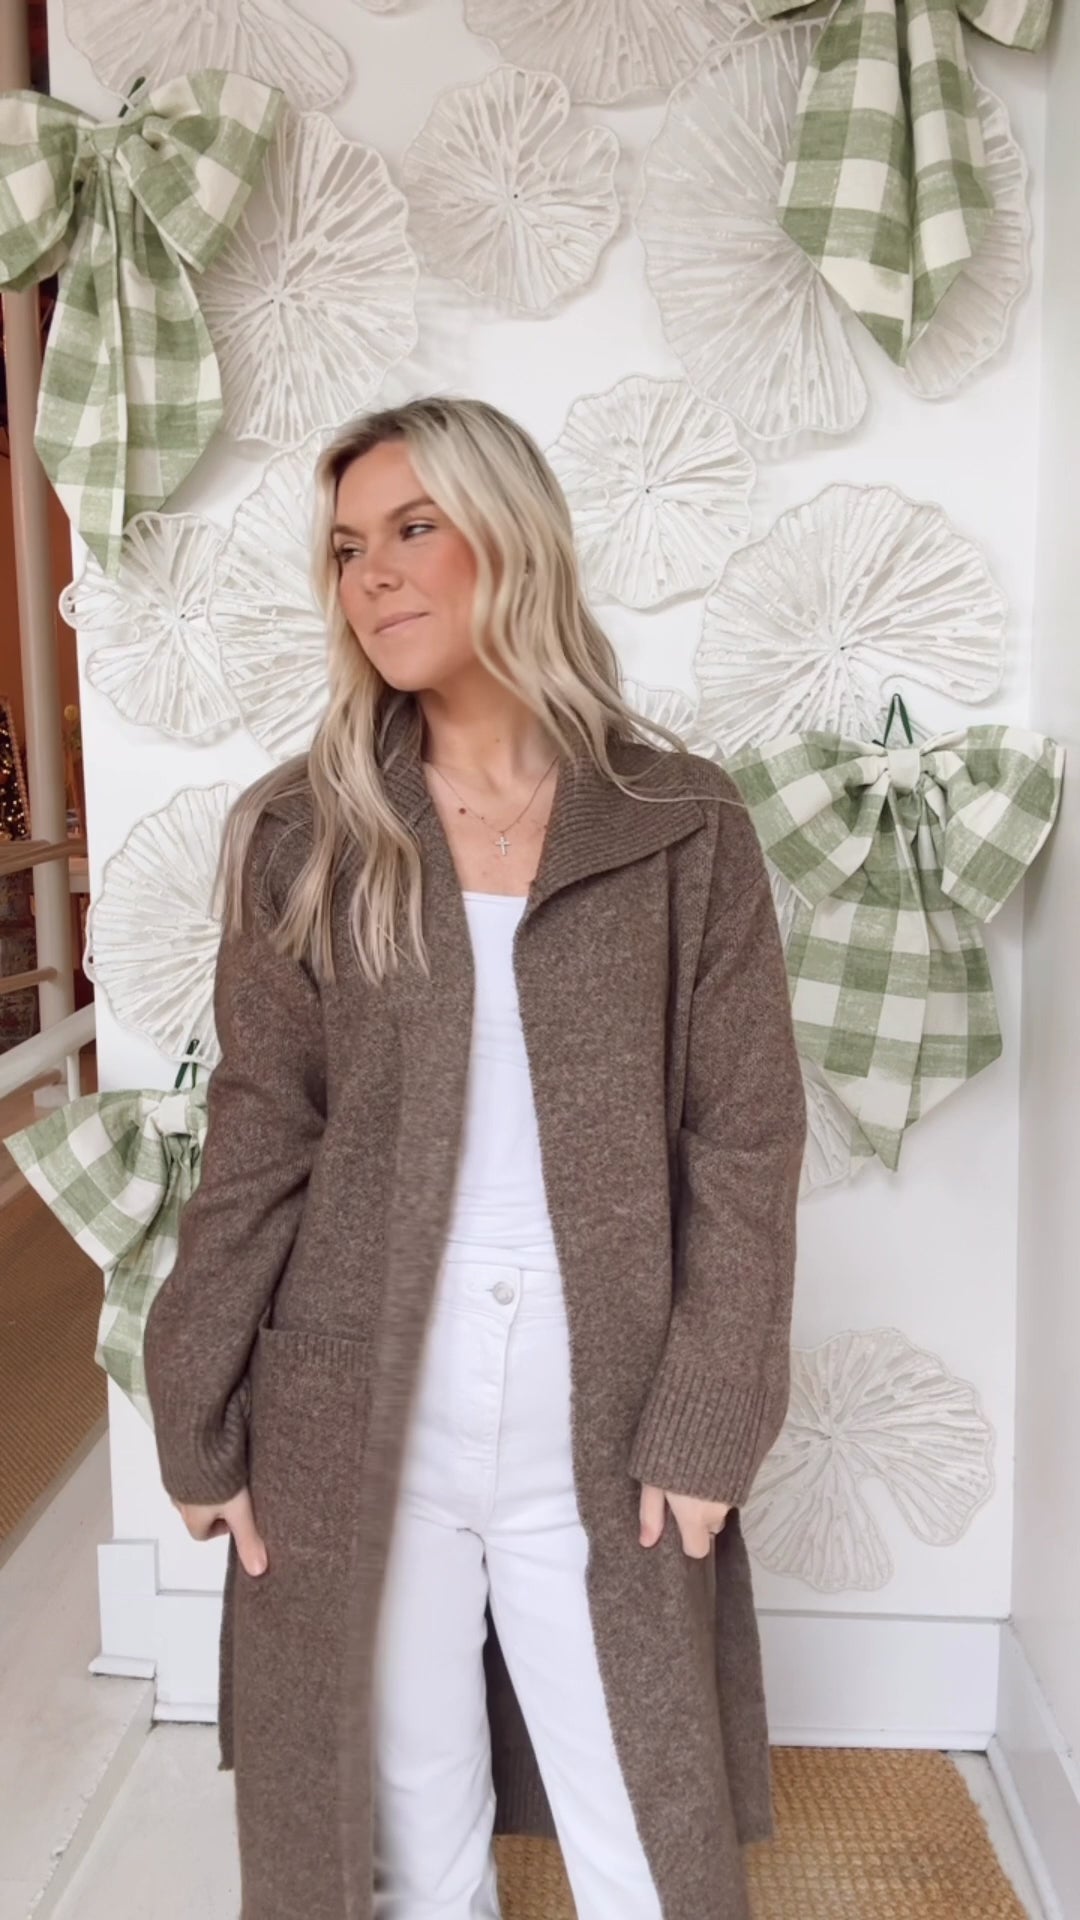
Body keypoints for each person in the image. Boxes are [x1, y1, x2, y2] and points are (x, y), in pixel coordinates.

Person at [142, 396, 808, 1920]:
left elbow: (744, 1140)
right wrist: (196, 1400)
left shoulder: (682, 825)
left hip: (607, 1399)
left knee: (645, 1827)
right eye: (346, 549)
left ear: (512, 543)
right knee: (402, 1841)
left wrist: (710, 1414)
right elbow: (260, 1132)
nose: (372, 575)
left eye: (413, 530)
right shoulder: (307, 832)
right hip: (359, 1396)